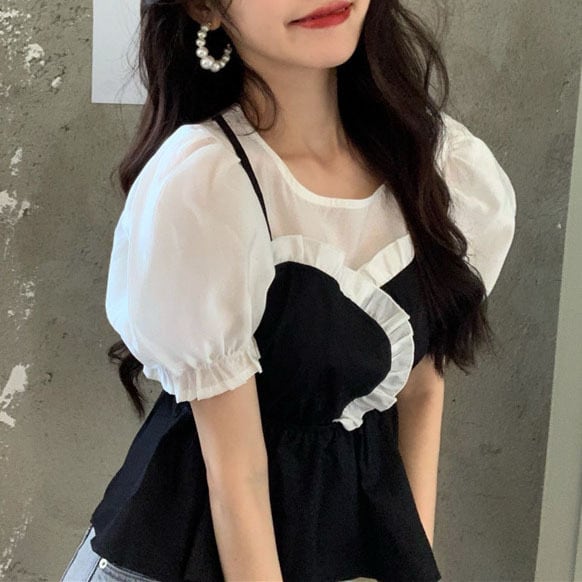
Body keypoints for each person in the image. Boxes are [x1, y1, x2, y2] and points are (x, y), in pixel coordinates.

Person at [61, 0, 517, 580]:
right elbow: (238, 477)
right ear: (205, 8)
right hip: (193, 554)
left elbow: (422, 391)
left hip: (337, 546)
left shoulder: (439, 163)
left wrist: (410, 561)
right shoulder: (205, 185)